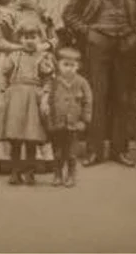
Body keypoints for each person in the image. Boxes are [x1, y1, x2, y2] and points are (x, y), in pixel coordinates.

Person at [63, 0, 136, 167]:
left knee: (122, 97)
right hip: (98, 45)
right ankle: (94, 151)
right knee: (96, 97)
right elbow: (69, 14)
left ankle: (120, 150)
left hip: (125, 46)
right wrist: (88, 33)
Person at [0, 0, 56, 167]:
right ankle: (7, 159)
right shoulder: (4, 14)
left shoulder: (42, 13)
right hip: (12, 63)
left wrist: (46, 46)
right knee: (7, 109)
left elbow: (54, 37)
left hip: (38, 64)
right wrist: (20, 48)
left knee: (39, 110)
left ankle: (39, 161)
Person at [0, 18, 55, 185]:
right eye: (25, 36)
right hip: (15, 98)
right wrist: (3, 94)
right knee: (15, 138)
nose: (29, 40)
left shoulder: (42, 57)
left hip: (34, 98)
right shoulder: (14, 56)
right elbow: (4, 75)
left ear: (39, 38)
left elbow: (48, 79)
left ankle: (30, 172)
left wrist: (45, 98)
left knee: (32, 137)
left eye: (33, 36)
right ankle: (15, 171)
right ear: (20, 38)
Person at [41, 46, 93, 187]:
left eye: (72, 65)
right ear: (58, 65)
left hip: (73, 124)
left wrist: (84, 120)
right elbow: (48, 101)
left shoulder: (82, 82)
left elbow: (88, 102)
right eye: (65, 65)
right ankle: (57, 175)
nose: (69, 69)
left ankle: (71, 175)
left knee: (71, 154)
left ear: (78, 66)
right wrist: (48, 118)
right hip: (56, 123)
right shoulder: (54, 81)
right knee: (57, 153)